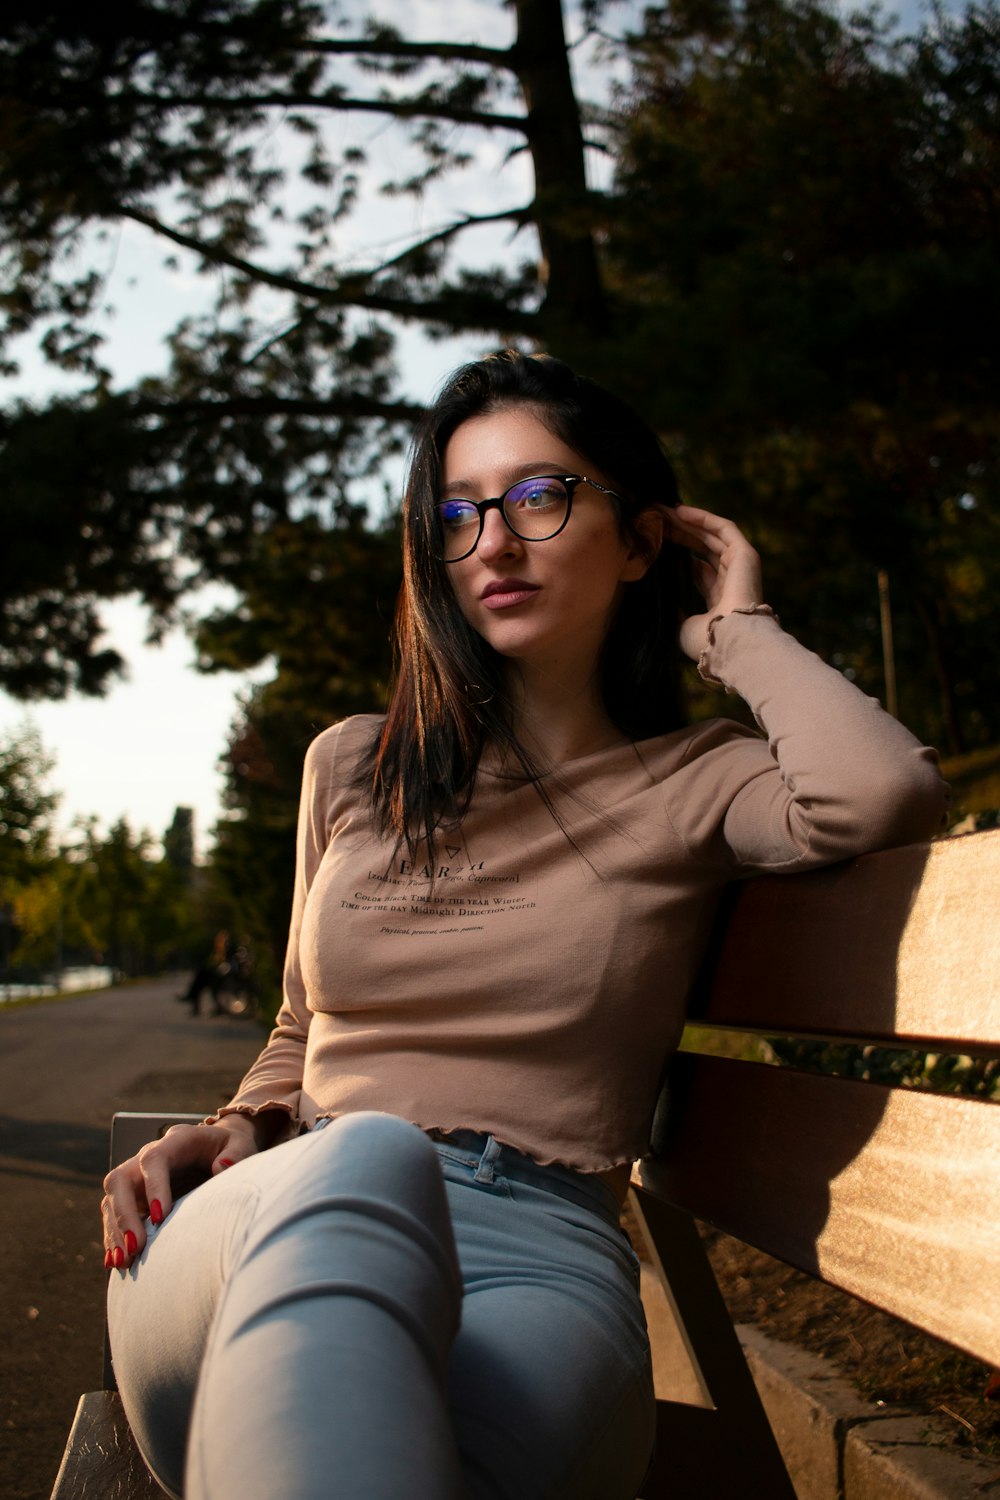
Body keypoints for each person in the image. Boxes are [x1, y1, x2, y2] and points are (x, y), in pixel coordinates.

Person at [101, 350, 947, 1500]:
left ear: (644, 541)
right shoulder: (355, 765)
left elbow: (881, 792)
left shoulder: (697, 782)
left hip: (535, 1250)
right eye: (455, 515)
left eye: (537, 498)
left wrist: (734, 623)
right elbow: (301, 1025)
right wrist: (244, 1119)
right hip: (276, 1211)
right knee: (370, 1155)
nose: (491, 540)